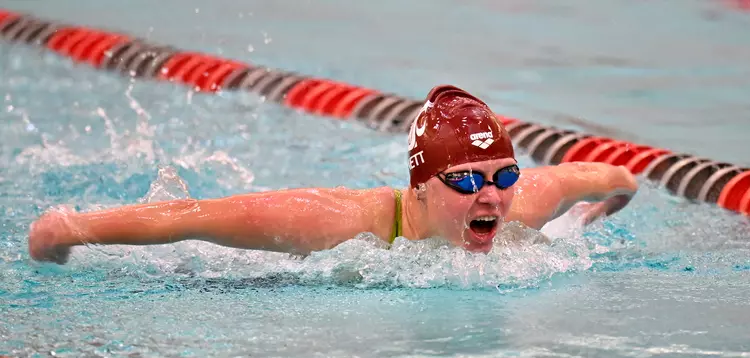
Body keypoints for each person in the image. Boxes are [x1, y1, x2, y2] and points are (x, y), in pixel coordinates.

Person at [27, 85, 638, 264]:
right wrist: (73, 230)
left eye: (503, 175)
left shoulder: (522, 203)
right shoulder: (336, 225)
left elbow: (617, 179)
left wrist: (590, 216)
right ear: (419, 188)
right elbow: (194, 218)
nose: (493, 197)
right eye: (468, 180)